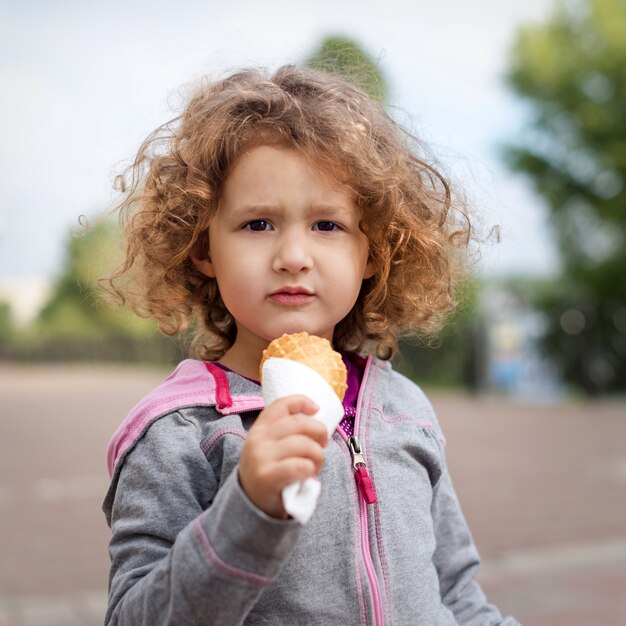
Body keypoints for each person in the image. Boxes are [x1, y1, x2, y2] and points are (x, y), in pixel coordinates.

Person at [102, 65, 519, 625]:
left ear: (375, 252)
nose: (293, 255)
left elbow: (458, 594)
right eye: (257, 225)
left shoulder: (404, 410)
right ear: (203, 248)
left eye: (327, 225)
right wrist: (245, 510)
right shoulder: (178, 433)